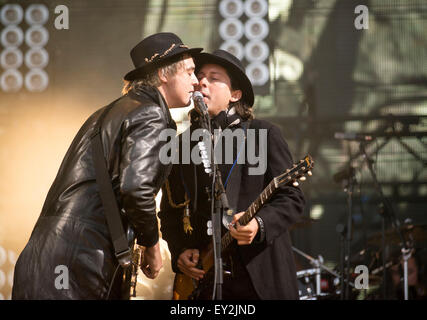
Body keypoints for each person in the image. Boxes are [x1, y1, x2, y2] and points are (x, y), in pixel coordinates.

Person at [12, 32, 202, 300]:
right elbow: (136, 187)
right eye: (190, 72)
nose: (196, 81)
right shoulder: (150, 113)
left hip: (47, 259)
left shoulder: (109, 112)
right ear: (163, 74)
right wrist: (151, 245)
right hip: (80, 262)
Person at [159, 49, 306, 299]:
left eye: (214, 77)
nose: (202, 81)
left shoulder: (265, 134)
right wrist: (180, 251)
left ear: (235, 95)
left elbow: (292, 199)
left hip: (259, 278)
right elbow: (170, 212)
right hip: (204, 282)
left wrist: (259, 224)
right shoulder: (181, 146)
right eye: (200, 75)